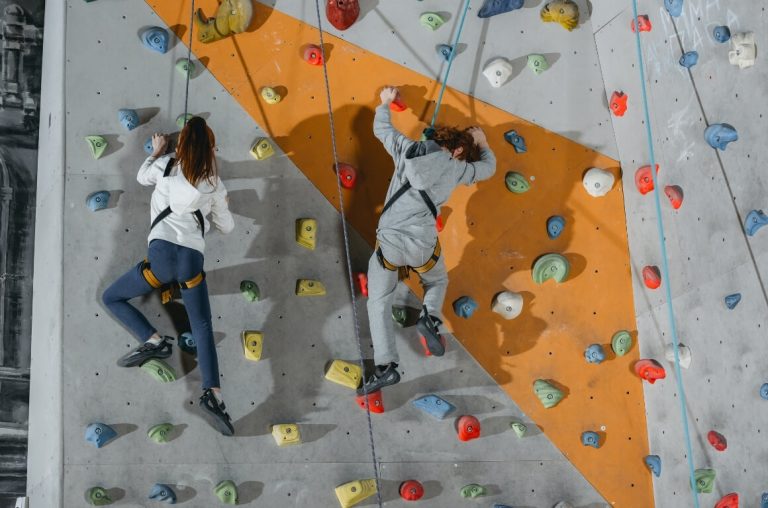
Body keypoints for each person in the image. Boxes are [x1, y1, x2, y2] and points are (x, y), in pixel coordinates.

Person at [102, 117, 236, 435]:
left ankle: (154, 341)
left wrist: (157, 150)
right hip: (190, 262)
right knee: (202, 327)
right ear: (211, 148)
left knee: (112, 297)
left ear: (181, 145)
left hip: (160, 261)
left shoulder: (164, 166)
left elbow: (141, 175)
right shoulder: (214, 182)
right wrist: (219, 205)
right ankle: (213, 394)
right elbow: (227, 227)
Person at [359, 86, 497, 395]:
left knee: (379, 302)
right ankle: (431, 318)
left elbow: (381, 128)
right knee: (436, 282)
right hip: (423, 244)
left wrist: (384, 102)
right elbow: (489, 169)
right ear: (462, 152)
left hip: (390, 244)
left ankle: (386, 366)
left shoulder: (407, 150)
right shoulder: (459, 171)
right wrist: (483, 142)